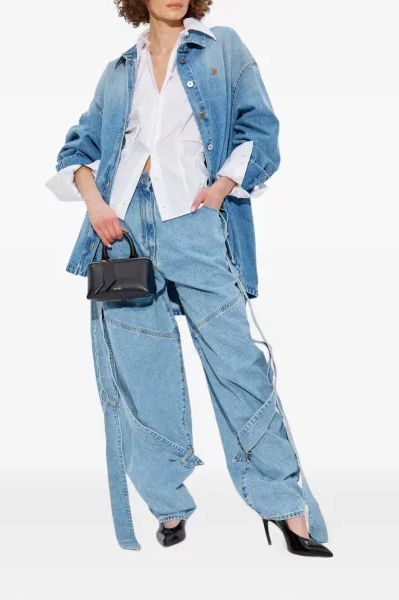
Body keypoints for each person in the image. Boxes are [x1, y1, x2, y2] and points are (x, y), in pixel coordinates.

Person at [45, 0, 333, 556]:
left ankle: (285, 505)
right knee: (142, 371)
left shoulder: (223, 48)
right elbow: (78, 148)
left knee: (239, 366)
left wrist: (221, 189)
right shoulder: (118, 70)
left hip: (195, 219)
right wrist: (97, 206)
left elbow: (260, 129)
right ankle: (167, 504)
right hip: (123, 228)